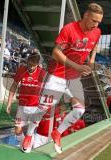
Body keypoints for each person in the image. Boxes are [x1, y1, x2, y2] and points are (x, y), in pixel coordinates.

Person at [36, 3, 103, 154]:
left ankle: (57, 133)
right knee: (42, 110)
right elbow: (55, 53)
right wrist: (78, 67)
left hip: (73, 78)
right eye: (93, 20)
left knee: (80, 110)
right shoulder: (69, 29)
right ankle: (28, 135)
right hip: (57, 75)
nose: (96, 24)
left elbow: (95, 44)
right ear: (85, 16)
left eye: (98, 22)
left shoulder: (97, 31)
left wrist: (91, 60)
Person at [6, 53, 46, 153]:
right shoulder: (21, 70)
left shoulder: (42, 73)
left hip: (35, 106)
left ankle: (27, 144)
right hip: (22, 106)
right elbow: (14, 86)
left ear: (38, 64)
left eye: (33, 65)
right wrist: (9, 103)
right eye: (29, 64)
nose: (30, 67)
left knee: (30, 130)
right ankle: (26, 143)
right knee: (17, 130)